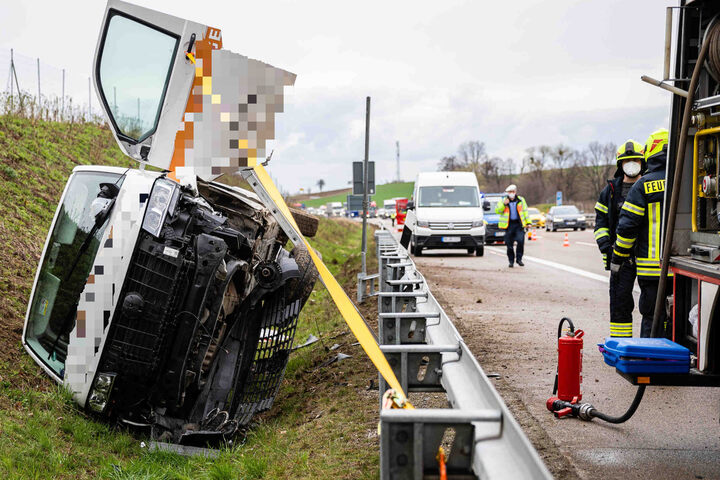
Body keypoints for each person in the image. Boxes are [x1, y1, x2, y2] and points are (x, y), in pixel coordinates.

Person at [611, 129, 671, 338]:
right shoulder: (687, 181)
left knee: (652, 317)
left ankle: (651, 364)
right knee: (679, 317)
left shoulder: (644, 185)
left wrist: (618, 257)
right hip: (684, 272)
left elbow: (627, 228)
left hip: (652, 270)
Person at [594, 139, 646, 337]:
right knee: (620, 301)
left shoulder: (648, 186)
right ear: (620, 164)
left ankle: (651, 347)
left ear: (643, 162)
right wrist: (606, 246)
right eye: (627, 161)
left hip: (646, 255)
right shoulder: (610, 191)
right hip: (619, 258)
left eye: (635, 160)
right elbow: (600, 222)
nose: (631, 164)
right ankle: (620, 343)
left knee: (650, 303)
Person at [495, 184, 530, 268]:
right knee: (509, 245)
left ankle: (519, 259)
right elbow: (498, 211)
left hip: (519, 224)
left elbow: (525, 211)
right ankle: (511, 261)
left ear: (515, 192)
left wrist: (528, 222)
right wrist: (504, 204)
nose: (511, 193)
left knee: (520, 241)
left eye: (513, 192)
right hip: (509, 225)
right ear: (507, 193)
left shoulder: (521, 200)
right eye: (510, 192)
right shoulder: (503, 200)